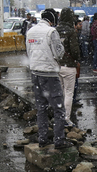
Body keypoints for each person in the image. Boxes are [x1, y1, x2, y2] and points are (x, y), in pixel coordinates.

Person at [25, 9, 72, 150]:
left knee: (41, 108)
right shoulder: (51, 32)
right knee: (58, 109)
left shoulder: (30, 31)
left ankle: (43, 139)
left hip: (35, 73)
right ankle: (59, 141)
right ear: (52, 20)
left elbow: (28, 51)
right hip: (50, 74)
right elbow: (59, 53)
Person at [56, 8, 80, 127]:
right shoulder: (71, 31)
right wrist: (77, 58)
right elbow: (75, 51)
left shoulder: (55, 30)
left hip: (57, 65)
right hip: (69, 65)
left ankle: (59, 117)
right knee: (69, 93)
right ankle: (66, 118)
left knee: (60, 93)